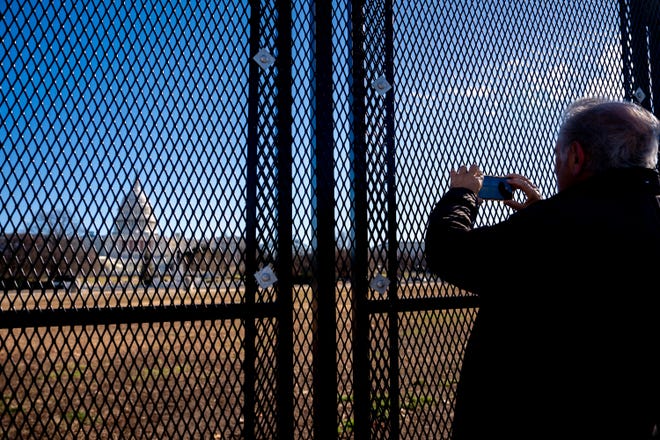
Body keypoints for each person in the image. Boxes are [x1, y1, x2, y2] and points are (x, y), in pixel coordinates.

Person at [424, 97, 660, 439]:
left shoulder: (550, 228)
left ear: (576, 157)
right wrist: (541, 215)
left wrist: (462, 195)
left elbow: (447, 252)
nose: (555, 165)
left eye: (558, 156)